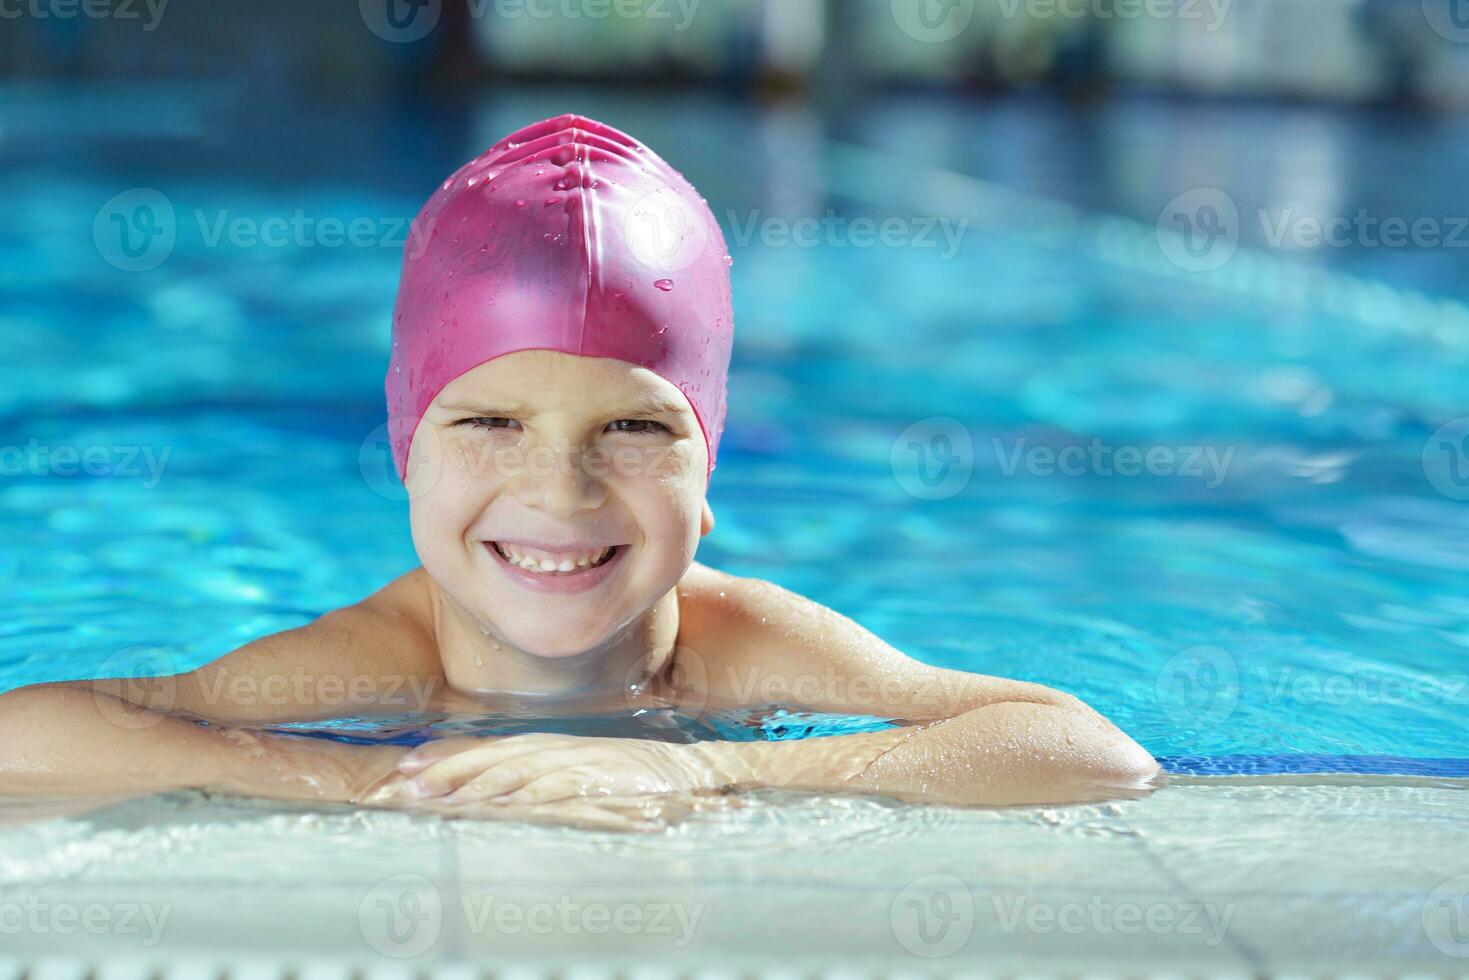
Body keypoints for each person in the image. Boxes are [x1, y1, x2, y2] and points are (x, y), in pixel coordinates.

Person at [0, 115, 1159, 831]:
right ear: (407, 449)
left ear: (707, 467)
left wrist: (709, 778)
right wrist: (369, 783)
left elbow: (1088, 747)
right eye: (492, 420)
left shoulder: (738, 641)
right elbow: (27, 733)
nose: (559, 492)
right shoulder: (382, 662)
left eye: (634, 429)